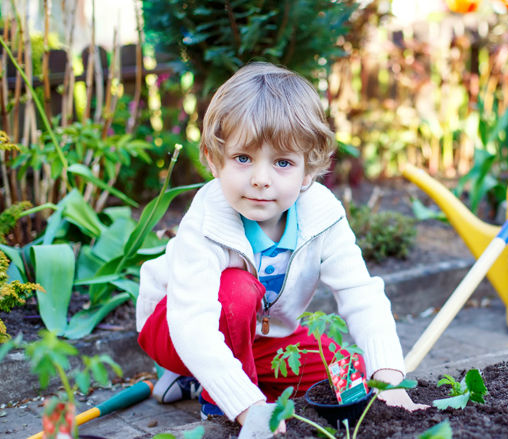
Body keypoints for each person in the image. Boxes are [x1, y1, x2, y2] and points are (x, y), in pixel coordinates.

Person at [135, 62, 426, 434]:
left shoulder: (322, 214)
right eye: (243, 158)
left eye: (283, 163)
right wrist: (251, 407)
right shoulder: (207, 221)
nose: (260, 179)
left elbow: (360, 295)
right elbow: (191, 325)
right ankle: (215, 393)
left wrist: (389, 381)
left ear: (308, 171)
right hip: (174, 328)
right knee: (237, 291)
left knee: (346, 377)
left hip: (263, 336)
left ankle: (228, 376)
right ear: (213, 158)